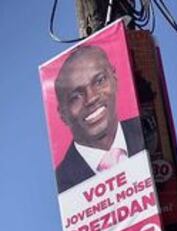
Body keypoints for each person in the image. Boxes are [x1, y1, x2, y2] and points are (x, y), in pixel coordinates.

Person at [54, 45, 145, 193]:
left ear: (114, 79)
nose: (91, 98)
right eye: (75, 97)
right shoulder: (64, 184)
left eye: (99, 81)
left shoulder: (149, 129)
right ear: (63, 114)